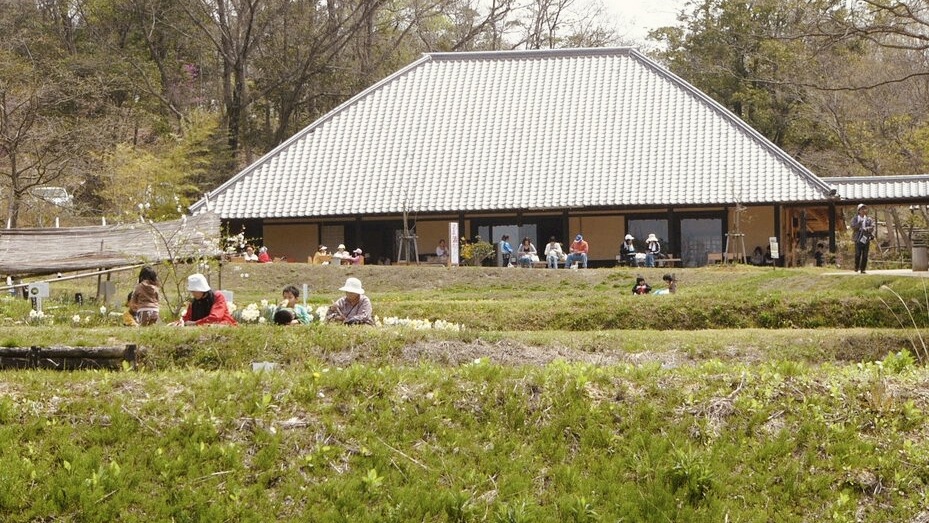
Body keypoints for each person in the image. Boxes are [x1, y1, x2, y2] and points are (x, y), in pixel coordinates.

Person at [851, 203, 875, 273]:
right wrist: (859, 224)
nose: (863, 210)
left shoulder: (869, 219)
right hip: (857, 238)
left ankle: (863, 269)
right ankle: (856, 268)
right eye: (862, 209)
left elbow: (872, 227)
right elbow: (853, 226)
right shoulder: (855, 219)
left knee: (865, 254)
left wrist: (866, 229)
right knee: (858, 254)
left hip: (866, 238)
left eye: (864, 209)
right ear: (858, 211)